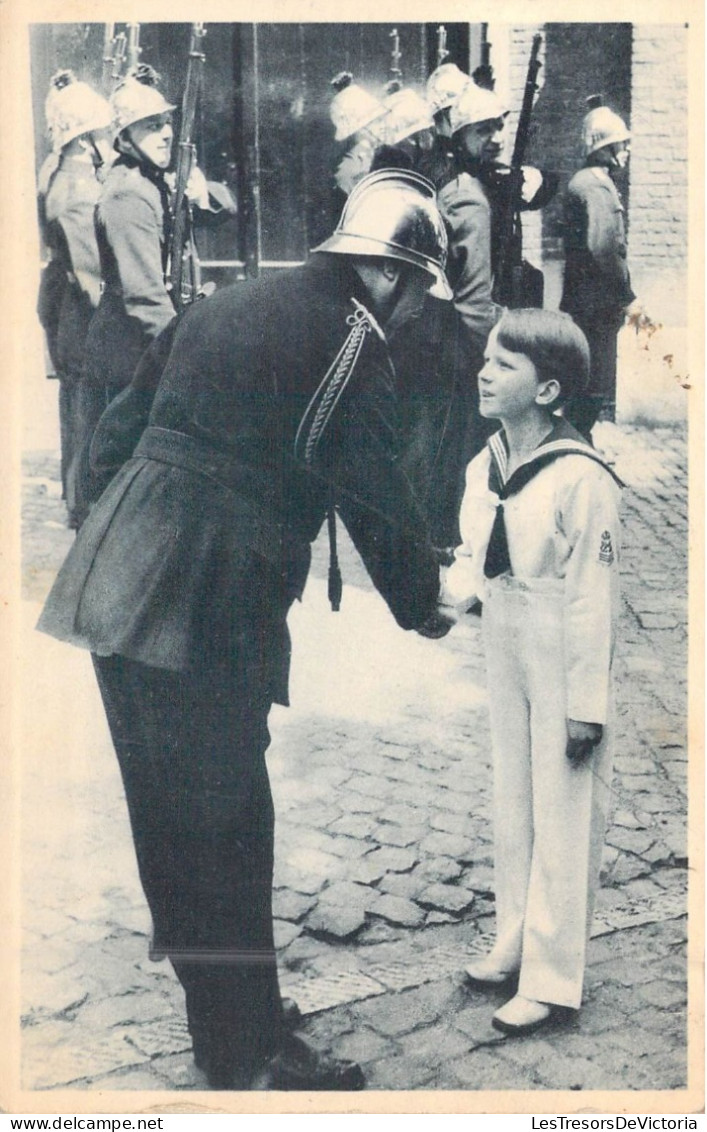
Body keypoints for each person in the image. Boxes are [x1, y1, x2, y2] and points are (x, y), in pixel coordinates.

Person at [38, 169, 452, 1090]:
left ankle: (234, 1011)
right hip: (209, 588)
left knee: (170, 812)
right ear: (389, 275)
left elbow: (117, 426)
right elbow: (377, 491)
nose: (419, 308)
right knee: (228, 821)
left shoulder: (227, 300)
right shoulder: (354, 339)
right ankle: (245, 1056)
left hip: (119, 569)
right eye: (421, 287)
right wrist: (423, 604)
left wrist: (116, 527)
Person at [441, 308, 622, 1034]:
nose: (483, 371)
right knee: (514, 798)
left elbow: (592, 600)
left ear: (547, 391)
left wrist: (585, 704)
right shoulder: (485, 463)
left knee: (564, 808)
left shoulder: (582, 478)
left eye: (503, 363)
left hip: (562, 648)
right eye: (485, 358)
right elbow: (471, 553)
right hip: (508, 637)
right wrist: (449, 601)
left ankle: (552, 978)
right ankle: (514, 937)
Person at [74, 63, 234, 526]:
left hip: (146, 351)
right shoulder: (128, 196)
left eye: (166, 122)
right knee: (124, 493)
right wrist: (191, 354)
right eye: (150, 126)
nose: (165, 132)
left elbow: (224, 208)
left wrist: (201, 190)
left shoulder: (155, 181)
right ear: (124, 138)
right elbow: (145, 298)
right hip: (129, 357)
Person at [37, 71, 113, 528]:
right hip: (82, 314)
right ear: (86, 140)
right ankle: (84, 507)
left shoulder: (58, 169)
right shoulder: (80, 191)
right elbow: (94, 274)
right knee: (87, 409)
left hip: (65, 308)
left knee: (77, 407)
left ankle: (76, 498)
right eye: (103, 133)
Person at [560, 96, 652, 440]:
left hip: (584, 305)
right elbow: (604, 249)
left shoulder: (583, 181)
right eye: (620, 145)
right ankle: (573, 447)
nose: (626, 151)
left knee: (584, 388)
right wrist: (627, 296)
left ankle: (578, 445)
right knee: (592, 389)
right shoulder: (596, 186)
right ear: (602, 148)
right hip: (597, 307)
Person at [329, 71, 389, 205]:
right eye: (375, 121)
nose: (382, 126)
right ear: (361, 128)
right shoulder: (346, 173)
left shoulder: (380, 155)